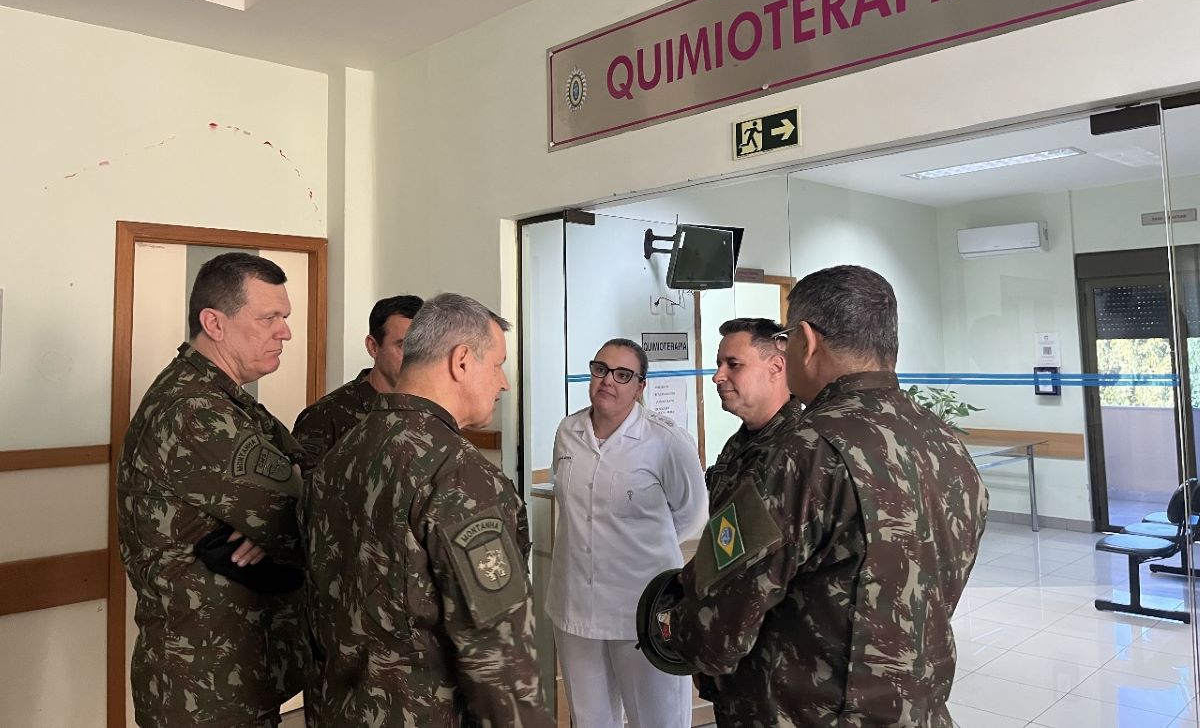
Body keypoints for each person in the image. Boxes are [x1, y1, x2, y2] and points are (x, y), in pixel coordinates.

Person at [637, 265, 988, 727]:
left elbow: (718, 626)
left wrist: (667, 623)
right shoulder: (946, 444)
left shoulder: (803, 451)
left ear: (806, 339)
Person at [302, 292, 553, 727]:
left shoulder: (344, 451)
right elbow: (497, 653)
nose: (504, 382)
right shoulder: (458, 475)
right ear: (461, 361)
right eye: (497, 365)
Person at [117, 252, 307, 728]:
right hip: (204, 687)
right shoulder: (195, 410)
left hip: (237, 671)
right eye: (269, 318)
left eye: (284, 318)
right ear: (214, 323)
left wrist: (275, 530)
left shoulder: (227, 398)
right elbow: (302, 515)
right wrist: (279, 532)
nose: (284, 332)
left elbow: (308, 474)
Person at [546, 338, 707, 728]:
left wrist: (641, 546)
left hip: (644, 611)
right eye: (600, 369)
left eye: (622, 375)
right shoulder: (568, 431)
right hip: (576, 607)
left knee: (658, 719)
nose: (608, 381)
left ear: (640, 386)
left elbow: (692, 513)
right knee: (590, 719)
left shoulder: (665, 440)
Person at [293, 293, 423, 471]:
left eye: (423, 348)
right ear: (373, 347)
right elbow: (306, 493)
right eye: (403, 346)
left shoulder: (430, 410)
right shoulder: (326, 416)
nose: (414, 358)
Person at [712, 317, 793, 432]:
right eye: (719, 365)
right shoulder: (742, 440)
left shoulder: (805, 444)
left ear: (776, 367)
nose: (716, 377)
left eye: (733, 364)